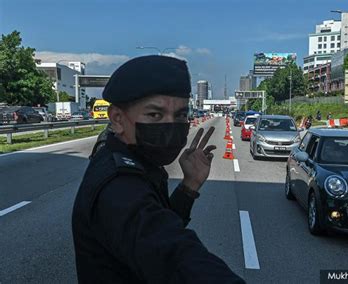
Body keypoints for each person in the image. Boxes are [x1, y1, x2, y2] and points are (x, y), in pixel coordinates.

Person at [72, 55, 244, 283]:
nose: (171, 126)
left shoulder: (134, 158)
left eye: (181, 115)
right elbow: (172, 254)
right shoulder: (118, 186)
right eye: (155, 115)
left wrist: (188, 187)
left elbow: (161, 223)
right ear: (117, 118)